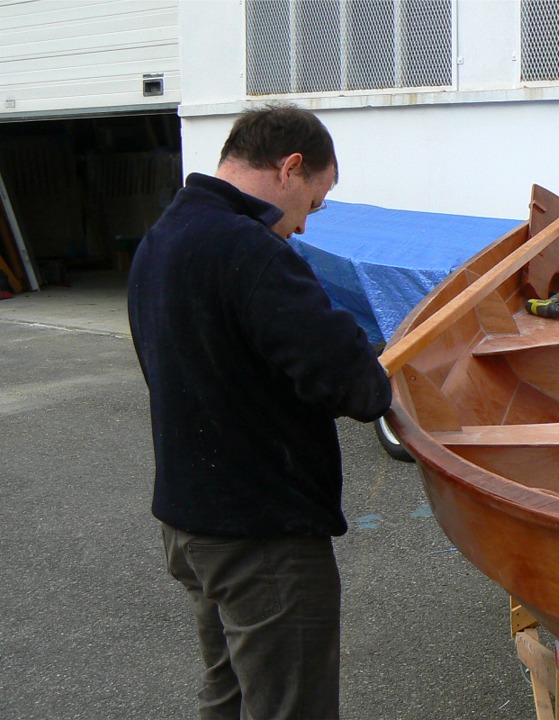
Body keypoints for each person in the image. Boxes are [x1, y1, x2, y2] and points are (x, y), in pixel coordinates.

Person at [128, 105, 392, 720]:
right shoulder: (251, 252)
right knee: (288, 705)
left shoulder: (162, 238)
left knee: (228, 695)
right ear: (290, 167)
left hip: (191, 525)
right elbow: (354, 386)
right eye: (314, 203)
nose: (303, 226)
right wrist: (367, 359)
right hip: (260, 538)